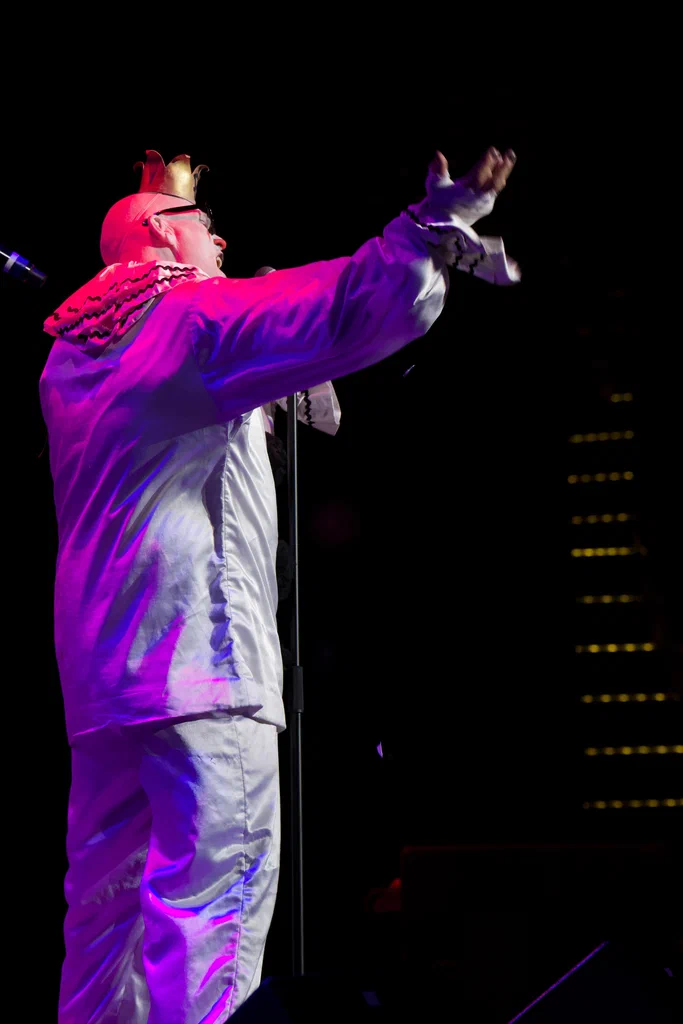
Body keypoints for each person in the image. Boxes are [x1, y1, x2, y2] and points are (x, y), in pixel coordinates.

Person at [39, 144, 519, 1023]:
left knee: (105, 930)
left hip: (107, 681)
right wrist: (430, 227)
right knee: (210, 914)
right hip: (201, 664)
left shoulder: (72, 360)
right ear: (167, 238)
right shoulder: (189, 320)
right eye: (204, 225)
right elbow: (339, 306)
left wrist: (169, 206)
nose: (220, 240)